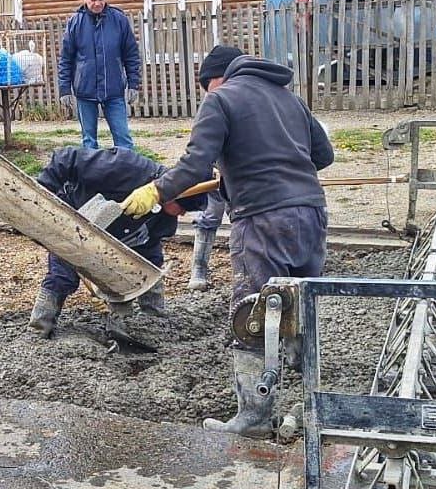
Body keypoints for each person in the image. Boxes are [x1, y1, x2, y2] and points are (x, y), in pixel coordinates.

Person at [121, 50, 334, 437]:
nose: (206, 94)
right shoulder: (290, 99)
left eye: (206, 87)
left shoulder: (221, 98)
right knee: (301, 309)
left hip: (263, 219)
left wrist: (155, 190)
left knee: (253, 314)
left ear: (216, 79)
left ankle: (253, 418)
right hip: (311, 213)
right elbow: (324, 155)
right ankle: (309, 407)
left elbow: (195, 164)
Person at [27, 146, 207, 339]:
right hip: (77, 217)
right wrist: (42, 198)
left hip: (117, 234)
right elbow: (66, 158)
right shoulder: (126, 168)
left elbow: (149, 255)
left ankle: (134, 322)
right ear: (172, 194)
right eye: (182, 208)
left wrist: (154, 313)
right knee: (63, 276)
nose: (182, 214)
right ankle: (39, 329)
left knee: (134, 267)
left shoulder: (161, 217)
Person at [58, 0, 141, 150]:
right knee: (89, 141)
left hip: (114, 89)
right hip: (85, 89)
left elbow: (131, 54)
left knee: (123, 139)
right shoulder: (75, 23)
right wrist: (64, 89)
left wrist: (134, 83)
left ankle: (128, 173)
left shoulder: (119, 20)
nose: (98, 3)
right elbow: (66, 59)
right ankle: (92, 175)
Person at [187, 45, 242, 291]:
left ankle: (243, 272)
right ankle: (199, 267)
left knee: (240, 217)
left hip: (242, 177)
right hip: (218, 172)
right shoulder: (215, 104)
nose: (210, 93)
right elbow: (200, 149)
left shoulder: (248, 100)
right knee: (209, 216)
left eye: (211, 84)